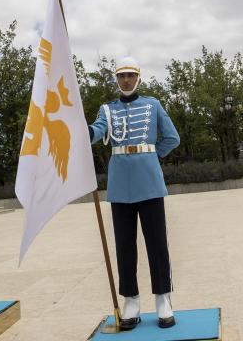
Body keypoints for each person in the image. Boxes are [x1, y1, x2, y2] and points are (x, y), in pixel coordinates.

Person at [88, 57, 180, 330]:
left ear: (138, 78)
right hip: (120, 186)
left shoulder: (153, 104)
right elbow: (98, 130)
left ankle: (163, 298)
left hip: (149, 182)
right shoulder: (107, 109)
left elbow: (172, 138)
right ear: (116, 79)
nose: (126, 80)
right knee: (124, 246)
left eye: (130, 75)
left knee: (157, 244)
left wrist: (150, 156)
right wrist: (82, 130)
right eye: (121, 76)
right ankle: (131, 300)